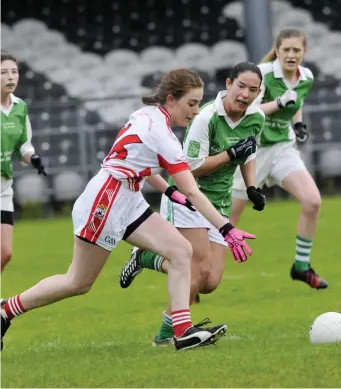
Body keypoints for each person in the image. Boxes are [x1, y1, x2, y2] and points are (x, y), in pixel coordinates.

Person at [1, 68, 256, 352]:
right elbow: (193, 190)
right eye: (192, 103)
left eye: (198, 104)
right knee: (77, 282)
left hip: (127, 196)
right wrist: (226, 228)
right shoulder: (164, 136)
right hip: (106, 202)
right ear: (171, 99)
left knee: (181, 251)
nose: (195, 111)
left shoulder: (146, 114)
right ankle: (5, 311)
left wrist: (168, 191)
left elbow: (138, 163)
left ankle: (182, 332)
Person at [119, 62, 266, 345]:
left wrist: (251, 186)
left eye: (253, 89)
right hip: (189, 197)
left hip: (220, 201)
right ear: (228, 84)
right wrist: (228, 154)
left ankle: (145, 257)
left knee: (211, 281)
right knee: (196, 270)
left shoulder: (256, 117)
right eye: (241, 86)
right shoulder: (206, 117)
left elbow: (248, 153)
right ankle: (169, 334)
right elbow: (191, 167)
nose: (246, 94)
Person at [231, 29, 327, 289]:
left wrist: (298, 124)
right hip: (255, 152)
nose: (292, 54)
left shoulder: (305, 77)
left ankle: (301, 267)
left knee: (312, 201)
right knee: (229, 222)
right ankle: (199, 275)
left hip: (283, 148)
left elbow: (297, 100)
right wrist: (280, 103)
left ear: (304, 53)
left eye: (297, 50)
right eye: (287, 50)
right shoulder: (263, 74)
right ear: (278, 50)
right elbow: (249, 110)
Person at [1, 51, 46, 272]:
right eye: (3, 72)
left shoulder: (19, 107)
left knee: (5, 252)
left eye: (14, 71)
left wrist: (34, 158)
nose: (11, 77)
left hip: (3, 187)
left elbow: (23, 146)